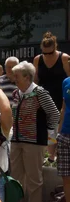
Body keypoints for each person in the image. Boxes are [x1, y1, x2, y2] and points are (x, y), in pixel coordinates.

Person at [7, 61, 60, 202]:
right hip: (16, 139)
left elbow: (54, 114)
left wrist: (49, 131)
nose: (14, 79)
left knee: (33, 176)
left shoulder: (40, 93)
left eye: (17, 76)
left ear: (27, 77)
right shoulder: (16, 93)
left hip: (35, 140)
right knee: (16, 175)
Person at [33, 32, 70, 166]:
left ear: (55, 47)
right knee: (47, 129)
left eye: (50, 53)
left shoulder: (64, 58)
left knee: (59, 129)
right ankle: (50, 157)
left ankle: (58, 156)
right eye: (45, 53)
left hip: (61, 97)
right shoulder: (38, 59)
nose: (47, 56)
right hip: (44, 98)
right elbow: (35, 80)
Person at [50, 75, 70, 202]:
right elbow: (63, 108)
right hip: (64, 134)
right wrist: (57, 135)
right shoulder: (66, 81)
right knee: (66, 177)